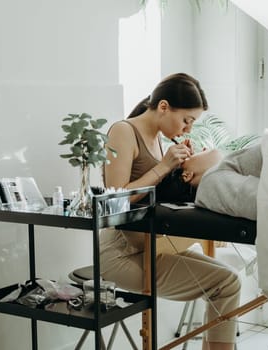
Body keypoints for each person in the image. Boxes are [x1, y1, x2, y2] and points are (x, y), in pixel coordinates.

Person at [100, 73, 241, 350]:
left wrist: (176, 168)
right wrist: (164, 166)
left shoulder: (159, 140)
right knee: (226, 284)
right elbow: (113, 200)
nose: (188, 129)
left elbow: (153, 191)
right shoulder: (123, 131)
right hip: (122, 253)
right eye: (187, 120)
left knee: (230, 280)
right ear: (163, 107)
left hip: (153, 246)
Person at [180, 145, 262, 221]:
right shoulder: (210, 182)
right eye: (189, 157)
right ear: (187, 175)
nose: (204, 148)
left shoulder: (217, 175)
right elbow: (266, 200)